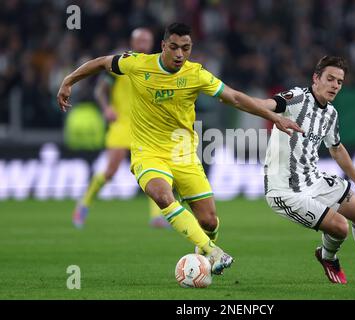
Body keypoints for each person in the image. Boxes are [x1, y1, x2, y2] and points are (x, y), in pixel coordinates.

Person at [57, 22, 302, 275]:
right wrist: (68, 80)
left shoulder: (196, 74)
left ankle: (204, 251)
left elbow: (236, 98)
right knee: (162, 195)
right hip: (147, 151)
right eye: (173, 47)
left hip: (183, 154)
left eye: (185, 48)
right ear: (163, 46)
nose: (179, 54)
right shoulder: (137, 63)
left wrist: (274, 117)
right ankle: (212, 251)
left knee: (209, 220)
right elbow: (100, 62)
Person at [260, 56, 355, 284]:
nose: (335, 85)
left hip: (314, 180)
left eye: (339, 82)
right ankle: (327, 257)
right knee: (340, 228)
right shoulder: (297, 98)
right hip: (285, 190)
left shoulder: (331, 113)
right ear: (316, 78)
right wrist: (242, 102)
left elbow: (337, 148)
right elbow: (267, 105)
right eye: (330, 79)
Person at [72, 27, 170, 229]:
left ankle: (156, 217)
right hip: (122, 125)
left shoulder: (157, 65)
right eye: (140, 40)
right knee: (110, 171)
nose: (143, 43)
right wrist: (106, 107)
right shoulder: (122, 63)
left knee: (154, 171)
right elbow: (100, 89)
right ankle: (84, 204)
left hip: (145, 127)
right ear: (132, 42)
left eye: (147, 40)